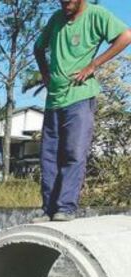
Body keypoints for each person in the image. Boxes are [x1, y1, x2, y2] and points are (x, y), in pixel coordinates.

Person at [33, 0, 131, 222]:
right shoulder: (56, 19)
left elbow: (126, 36)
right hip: (54, 100)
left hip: (80, 96)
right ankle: (48, 209)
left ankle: (65, 207)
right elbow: (38, 48)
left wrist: (93, 65)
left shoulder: (96, 15)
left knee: (73, 153)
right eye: (61, 1)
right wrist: (46, 75)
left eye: (69, 1)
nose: (64, 5)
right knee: (48, 157)